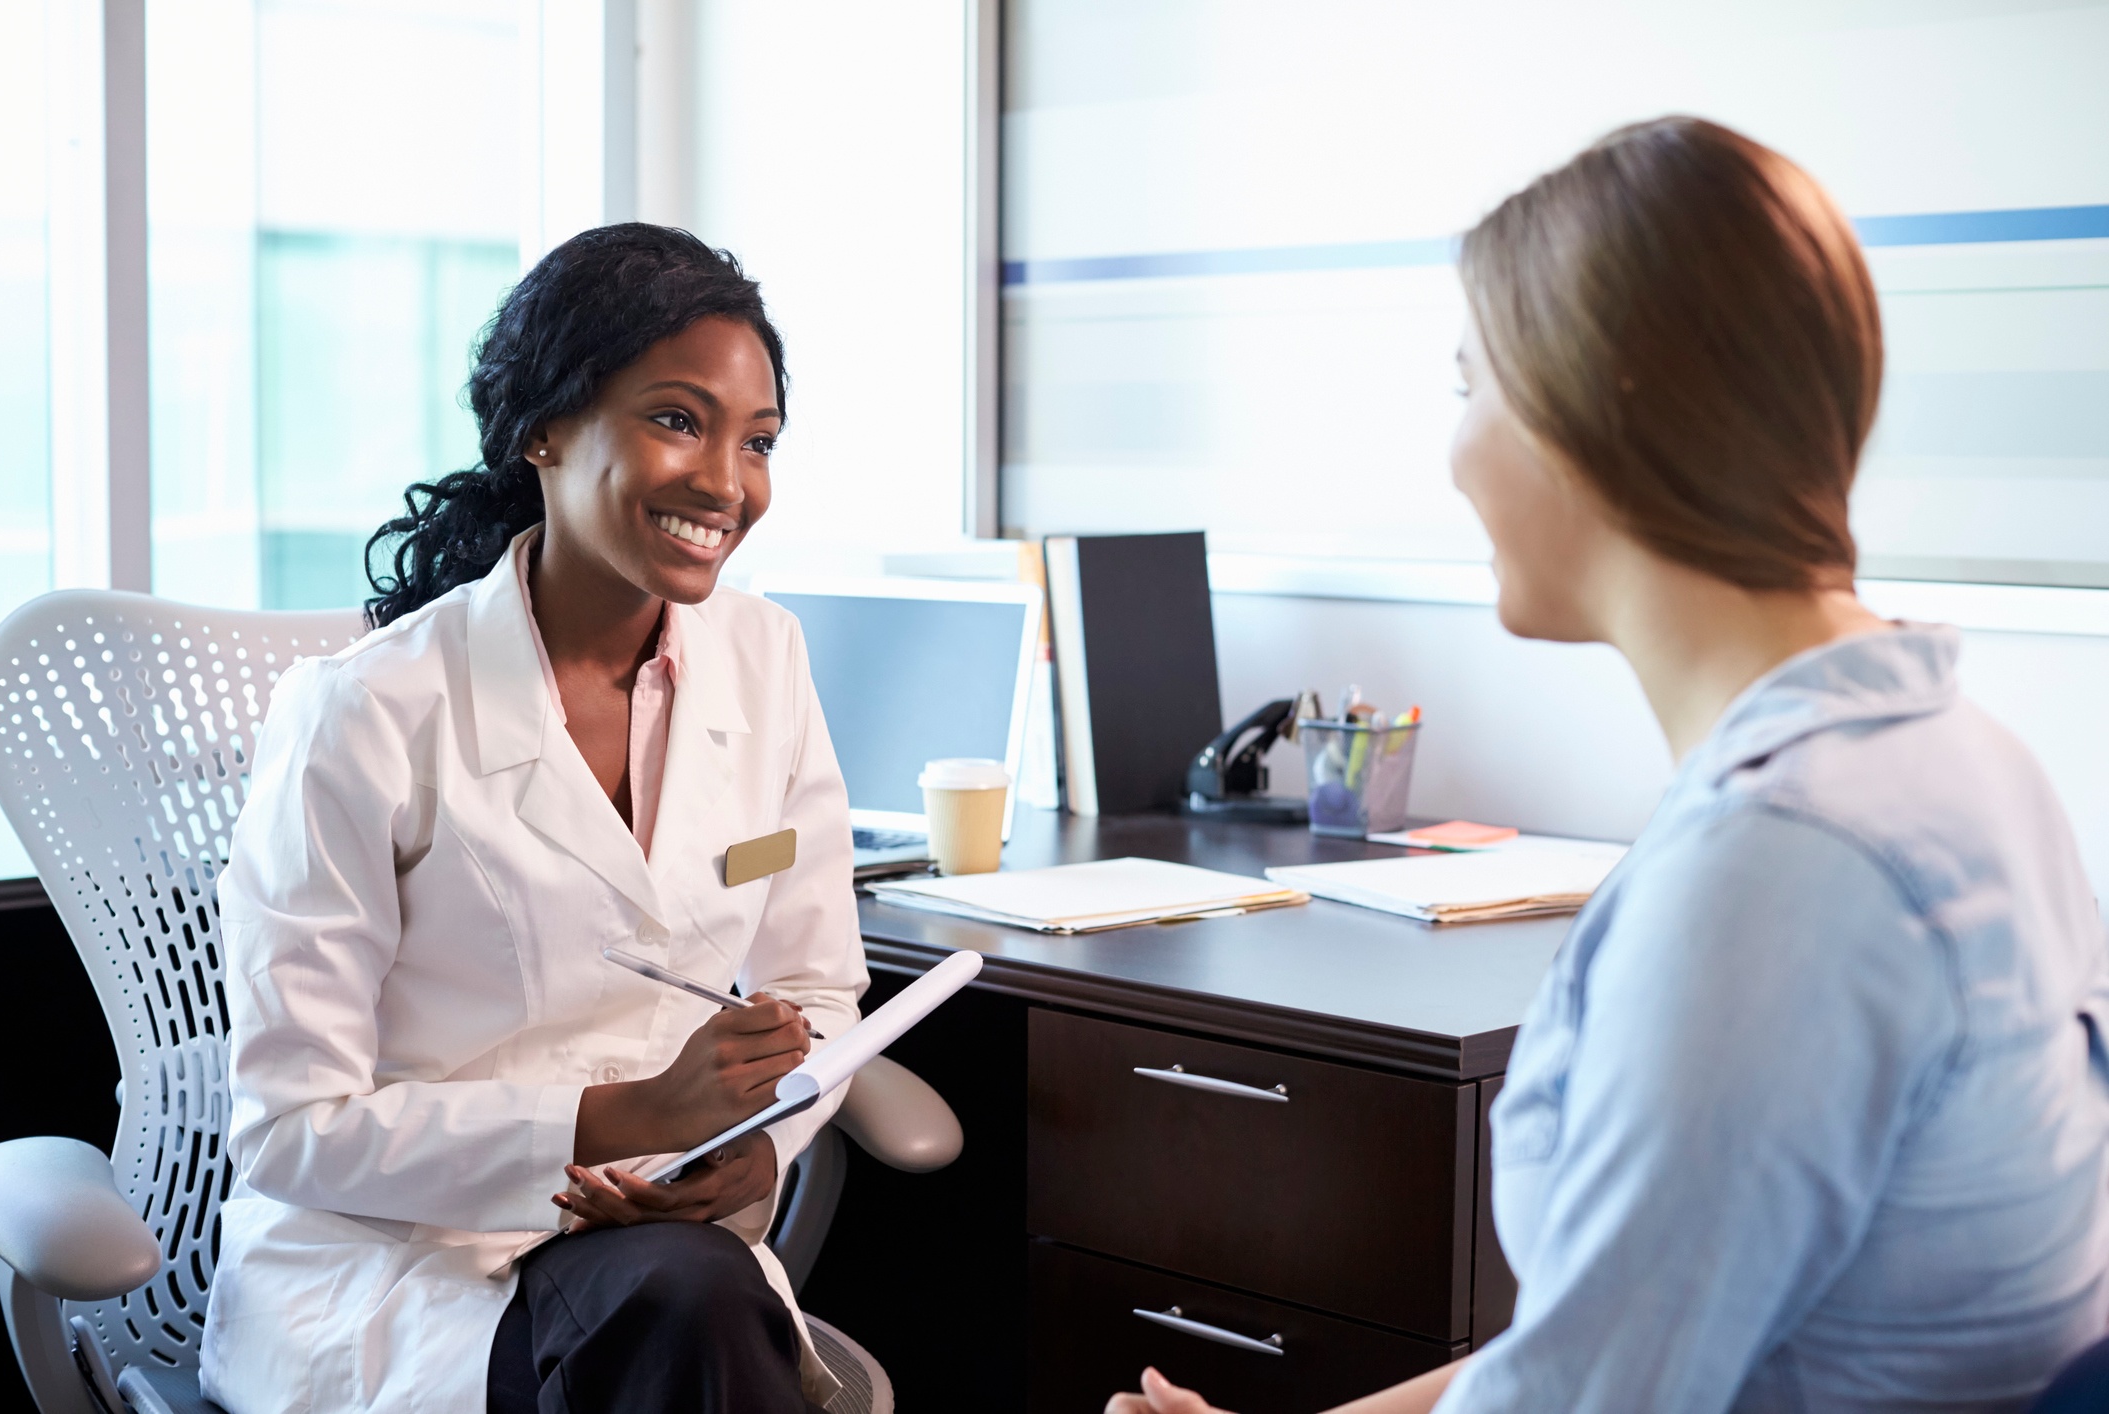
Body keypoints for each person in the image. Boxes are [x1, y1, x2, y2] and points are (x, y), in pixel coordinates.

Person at [1110, 117, 2109, 1414]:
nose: (1454, 454)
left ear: (1599, 405)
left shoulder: (1780, 869)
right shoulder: (1956, 760)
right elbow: (1595, 1345)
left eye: (1471, 387)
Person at [204, 225, 866, 1413]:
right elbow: (291, 1129)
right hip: (407, 1261)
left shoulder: (765, 659)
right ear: (543, 429)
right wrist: (620, 1117)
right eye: (678, 420)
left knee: (685, 1300)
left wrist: (747, 1149)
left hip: (666, 1244)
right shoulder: (365, 712)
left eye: (757, 440)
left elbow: (818, 994)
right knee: (689, 1314)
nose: (727, 480)